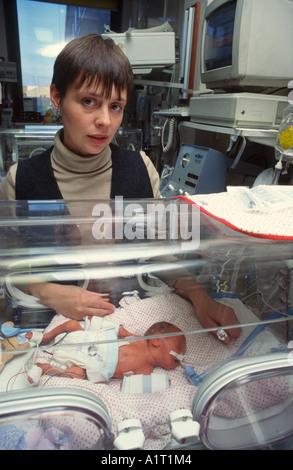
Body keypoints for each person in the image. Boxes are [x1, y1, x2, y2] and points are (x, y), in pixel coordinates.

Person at [0, 34, 240, 343]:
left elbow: (159, 253)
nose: (104, 120)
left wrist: (200, 298)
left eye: (116, 106)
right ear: (56, 97)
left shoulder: (139, 169)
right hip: (55, 325)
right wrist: (47, 291)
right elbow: (12, 265)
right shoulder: (23, 180)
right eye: (89, 102)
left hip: (130, 320)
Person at [25, 319, 186, 385]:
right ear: (157, 340)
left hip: (92, 364)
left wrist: (159, 383)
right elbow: (120, 331)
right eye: (179, 347)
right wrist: (97, 323)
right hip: (90, 339)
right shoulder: (140, 340)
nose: (182, 355)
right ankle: (45, 336)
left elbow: (127, 385)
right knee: (73, 324)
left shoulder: (147, 371)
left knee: (75, 373)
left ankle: (44, 367)